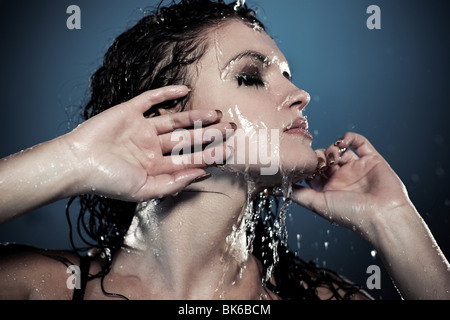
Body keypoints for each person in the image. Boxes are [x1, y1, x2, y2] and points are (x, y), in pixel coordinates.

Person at [0, 0, 449, 300]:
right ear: (166, 116)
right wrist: (75, 160)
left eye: (288, 75)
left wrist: (393, 218)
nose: (300, 95)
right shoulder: (41, 287)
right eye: (251, 76)